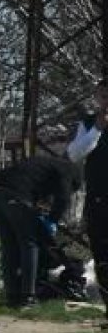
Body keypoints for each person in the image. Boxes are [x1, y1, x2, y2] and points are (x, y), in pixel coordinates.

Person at [0, 154, 82, 309]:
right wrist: (52, 220)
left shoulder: (44, 164)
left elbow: (9, 177)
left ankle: (12, 297)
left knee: (9, 248)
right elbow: (63, 198)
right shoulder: (68, 170)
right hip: (17, 197)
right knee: (30, 244)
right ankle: (28, 297)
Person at [67, 79, 108, 320]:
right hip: (98, 200)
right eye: (102, 96)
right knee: (102, 255)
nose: (106, 101)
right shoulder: (89, 124)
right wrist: (97, 130)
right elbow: (74, 153)